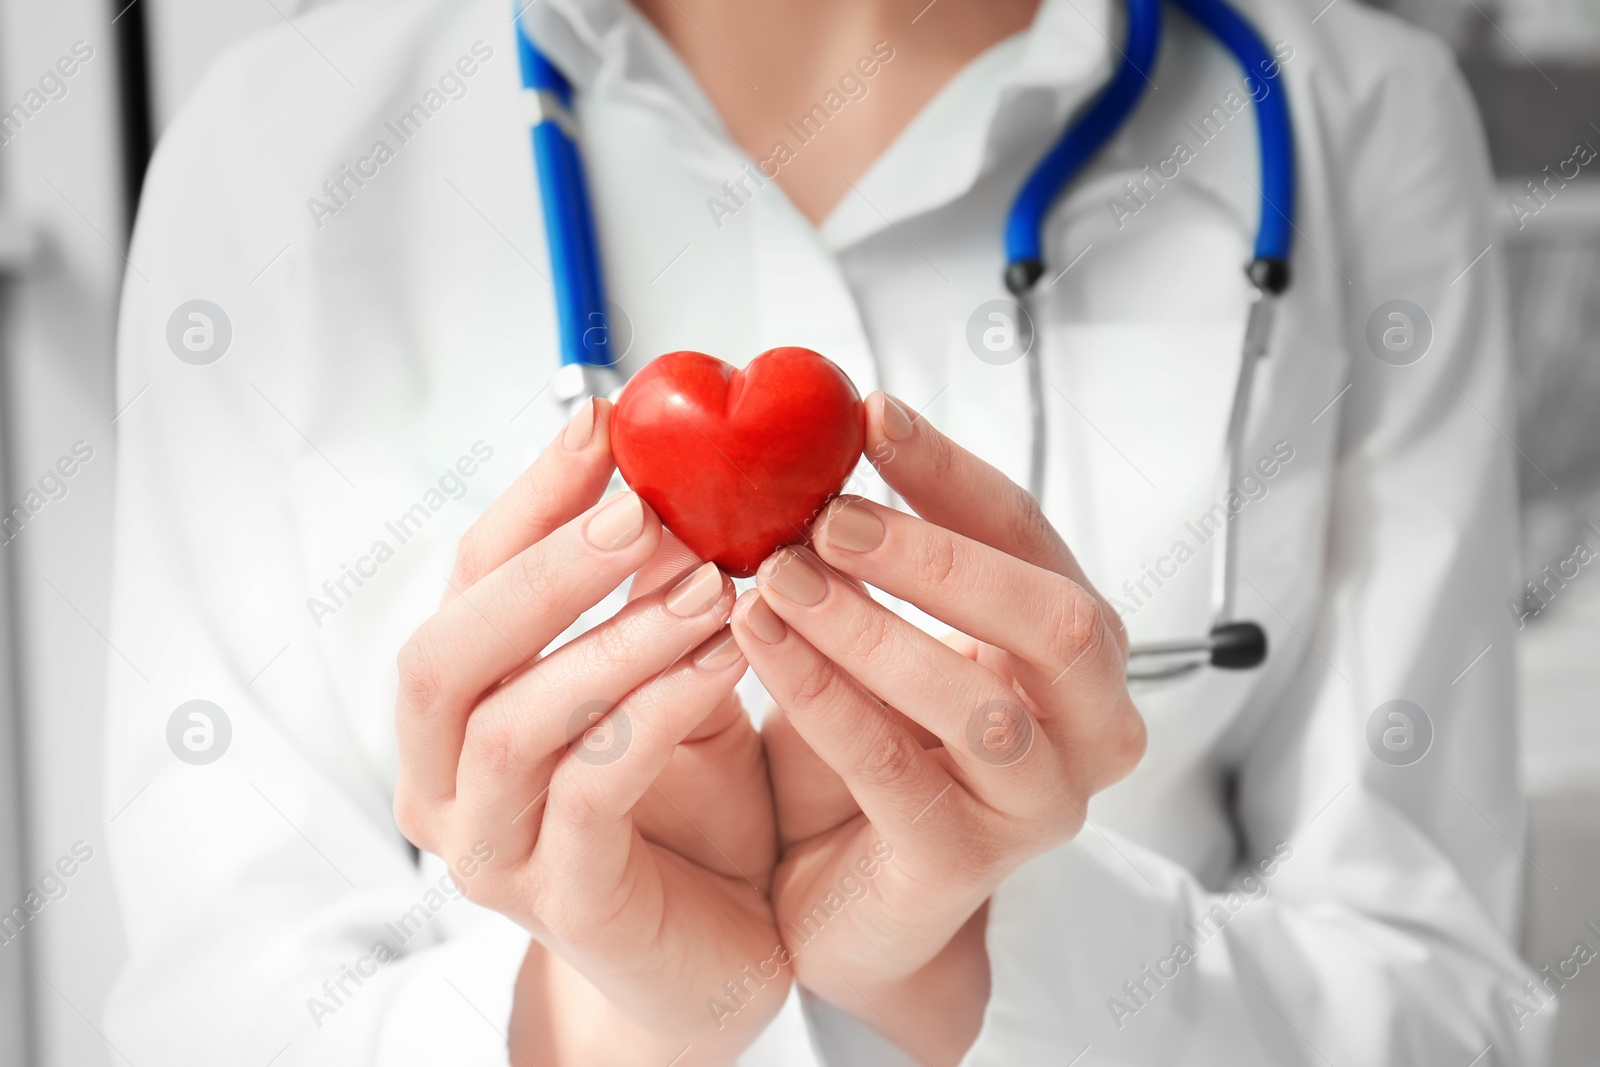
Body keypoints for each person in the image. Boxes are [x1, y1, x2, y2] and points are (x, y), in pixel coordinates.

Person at [103, 0, 1552, 1063]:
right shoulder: (275, 157)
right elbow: (210, 1016)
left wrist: (977, 959)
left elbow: (1443, 1004)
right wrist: (603, 1013)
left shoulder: (1349, 119)